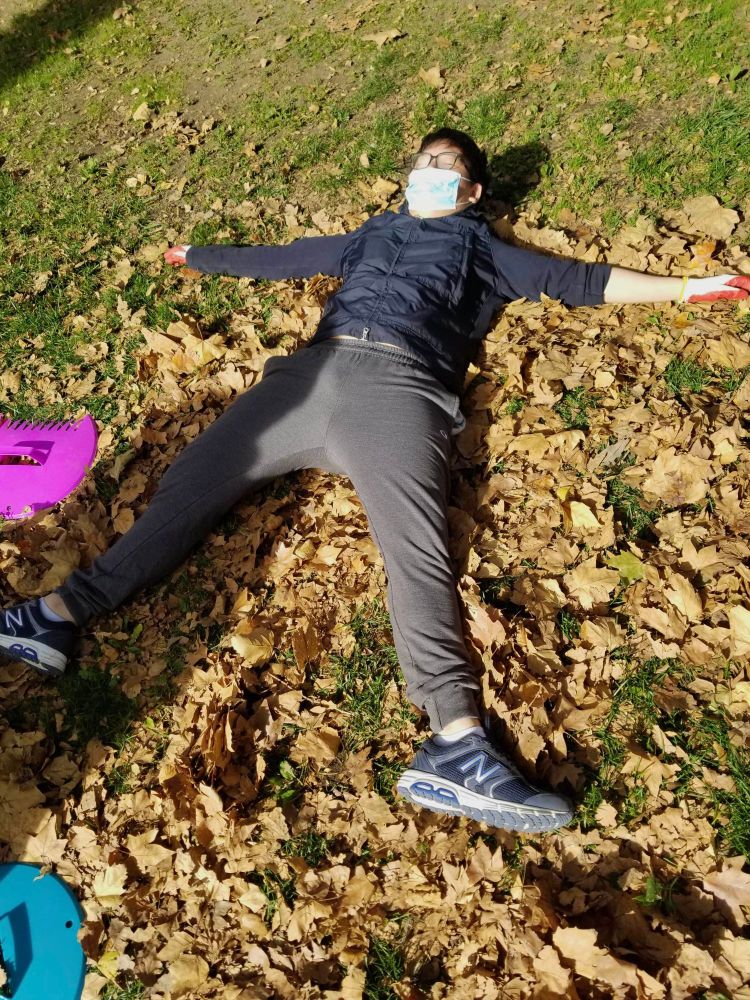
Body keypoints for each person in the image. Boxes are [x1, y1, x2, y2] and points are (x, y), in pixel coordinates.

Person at [1, 128, 748, 834]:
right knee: (189, 484)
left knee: (418, 554)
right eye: (424, 161)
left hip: (401, 389)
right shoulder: (372, 233)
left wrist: (686, 290)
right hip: (305, 379)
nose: (431, 171)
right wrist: (199, 255)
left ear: (473, 190)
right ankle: (58, 616)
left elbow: (574, 281)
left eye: (446, 165)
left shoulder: (481, 246)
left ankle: (457, 746)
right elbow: (288, 257)